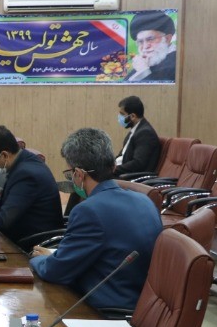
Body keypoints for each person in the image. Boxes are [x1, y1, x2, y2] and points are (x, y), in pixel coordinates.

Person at [30, 128, 162, 311]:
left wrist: (36, 260)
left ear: (78, 174)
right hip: (141, 305)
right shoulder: (145, 201)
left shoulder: (88, 211)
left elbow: (54, 272)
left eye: (70, 174)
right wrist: (55, 257)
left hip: (102, 309)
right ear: (113, 166)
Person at [114, 95, 161, 177]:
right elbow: (122, 156)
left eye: (122, 114)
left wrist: (113, 170)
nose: (119, 117)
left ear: (133, 116)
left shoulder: (145, 133)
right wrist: (107, 165)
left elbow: (138, 164)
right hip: (122, 173)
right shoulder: (135, 131)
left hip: (131, 177)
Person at [127, 11, 177, 82]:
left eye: (150, 39)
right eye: (140, 41)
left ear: (167, 39)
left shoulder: (177, 61)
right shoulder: (145, 62)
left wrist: (143, 71)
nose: (145, 47)